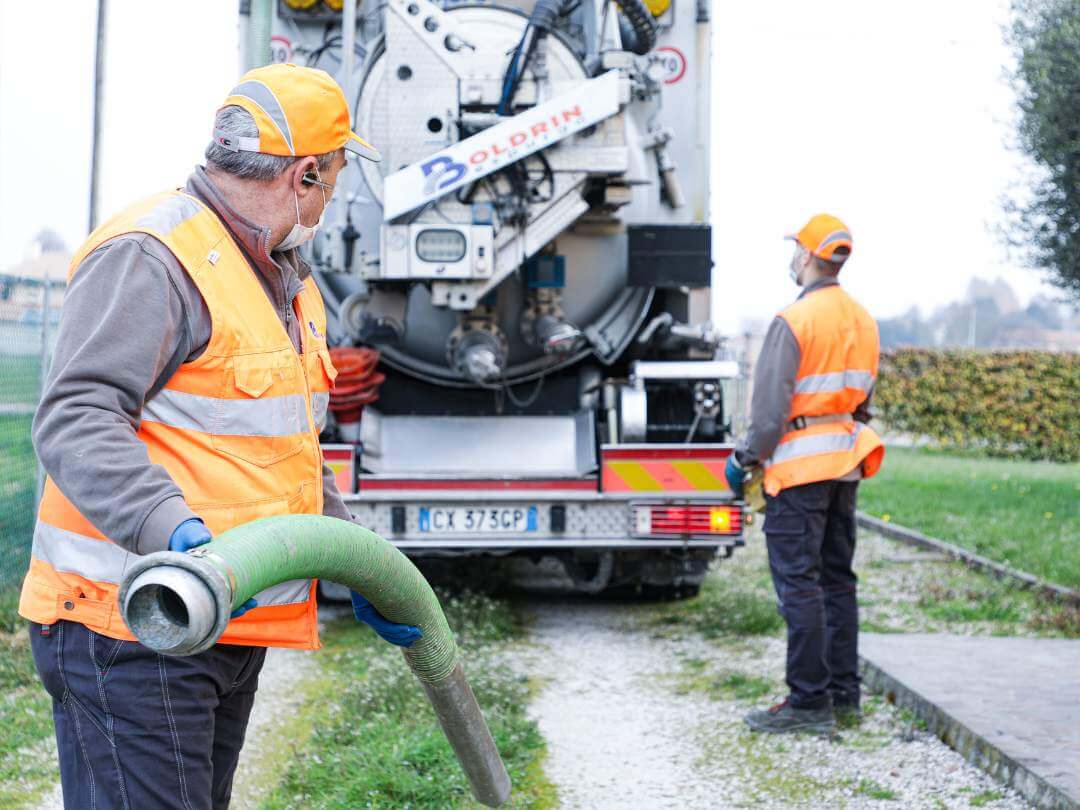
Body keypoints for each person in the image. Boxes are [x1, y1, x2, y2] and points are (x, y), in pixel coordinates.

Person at [18, 64, 419, 809]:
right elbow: (77, 415)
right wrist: (184, 539)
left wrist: (357, 558)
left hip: (222, 625)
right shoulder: (152, 256)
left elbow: (281, 445)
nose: (331, 196)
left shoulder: (279, 275)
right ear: (305, 175)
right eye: (332, 176)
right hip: (134, 624)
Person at [725, 214, 885, 734]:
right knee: (838, 581)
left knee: (800, 585)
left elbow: (769, 416)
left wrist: (745, 459)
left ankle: (808, 703)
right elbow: (864, 402)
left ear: (809, 256)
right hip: (844, 466)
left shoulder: (794, 321)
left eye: (797, 249)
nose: (793, 257)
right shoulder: (863, 320)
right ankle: (844, 695)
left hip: (797, 474)